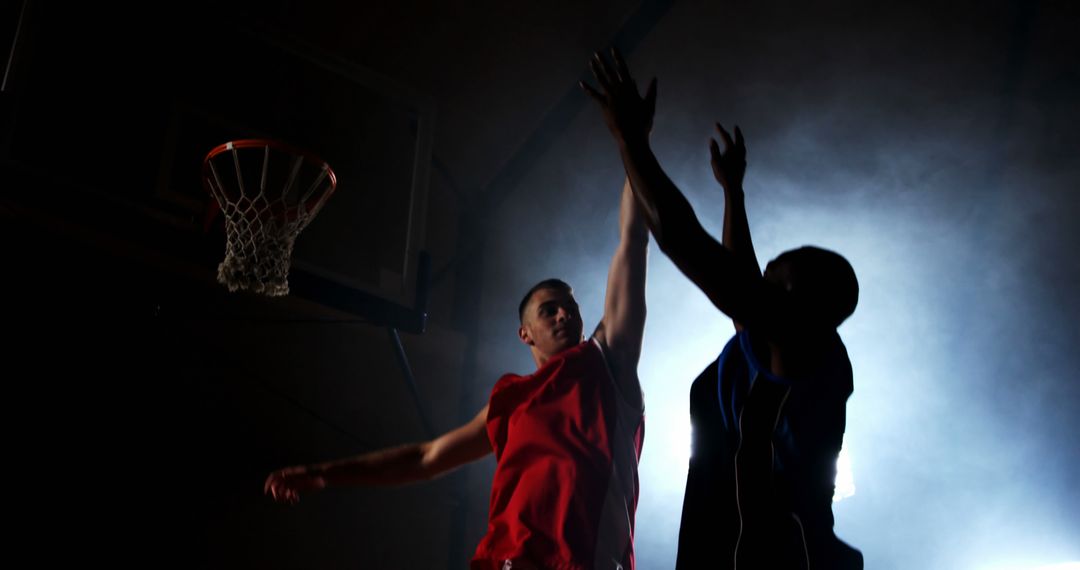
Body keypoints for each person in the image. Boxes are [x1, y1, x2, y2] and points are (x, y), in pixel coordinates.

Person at [264, 178, 650, 570]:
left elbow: (632, 244)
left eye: (569, 307)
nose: (564, 314)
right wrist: (324, 473)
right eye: (548, 310)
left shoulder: (605, 363)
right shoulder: (510, 400)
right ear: (525, 333)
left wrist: (631, 143)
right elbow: (425, 457)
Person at [582, 49, 863, 569]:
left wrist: (631, 141)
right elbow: (741, 288)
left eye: (778, 281)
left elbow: (684, 240)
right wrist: (733, 192)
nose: (762, 283)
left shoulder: (805, 349)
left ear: (802, 306)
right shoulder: (787, 343)